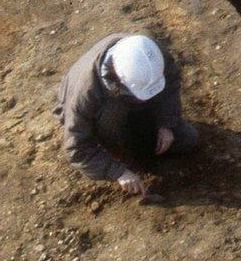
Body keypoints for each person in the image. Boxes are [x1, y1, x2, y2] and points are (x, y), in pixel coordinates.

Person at [56, 33, 198, 196]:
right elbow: (76, 148)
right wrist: (118, 172)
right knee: (113, 116)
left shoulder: (151, 55)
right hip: (104, 115)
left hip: (134, 105)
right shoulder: (84, 94)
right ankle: (123, 152)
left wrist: (166, 124)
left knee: (187, 139)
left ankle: (142, 138)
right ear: (118, 79)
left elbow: (171, 83)